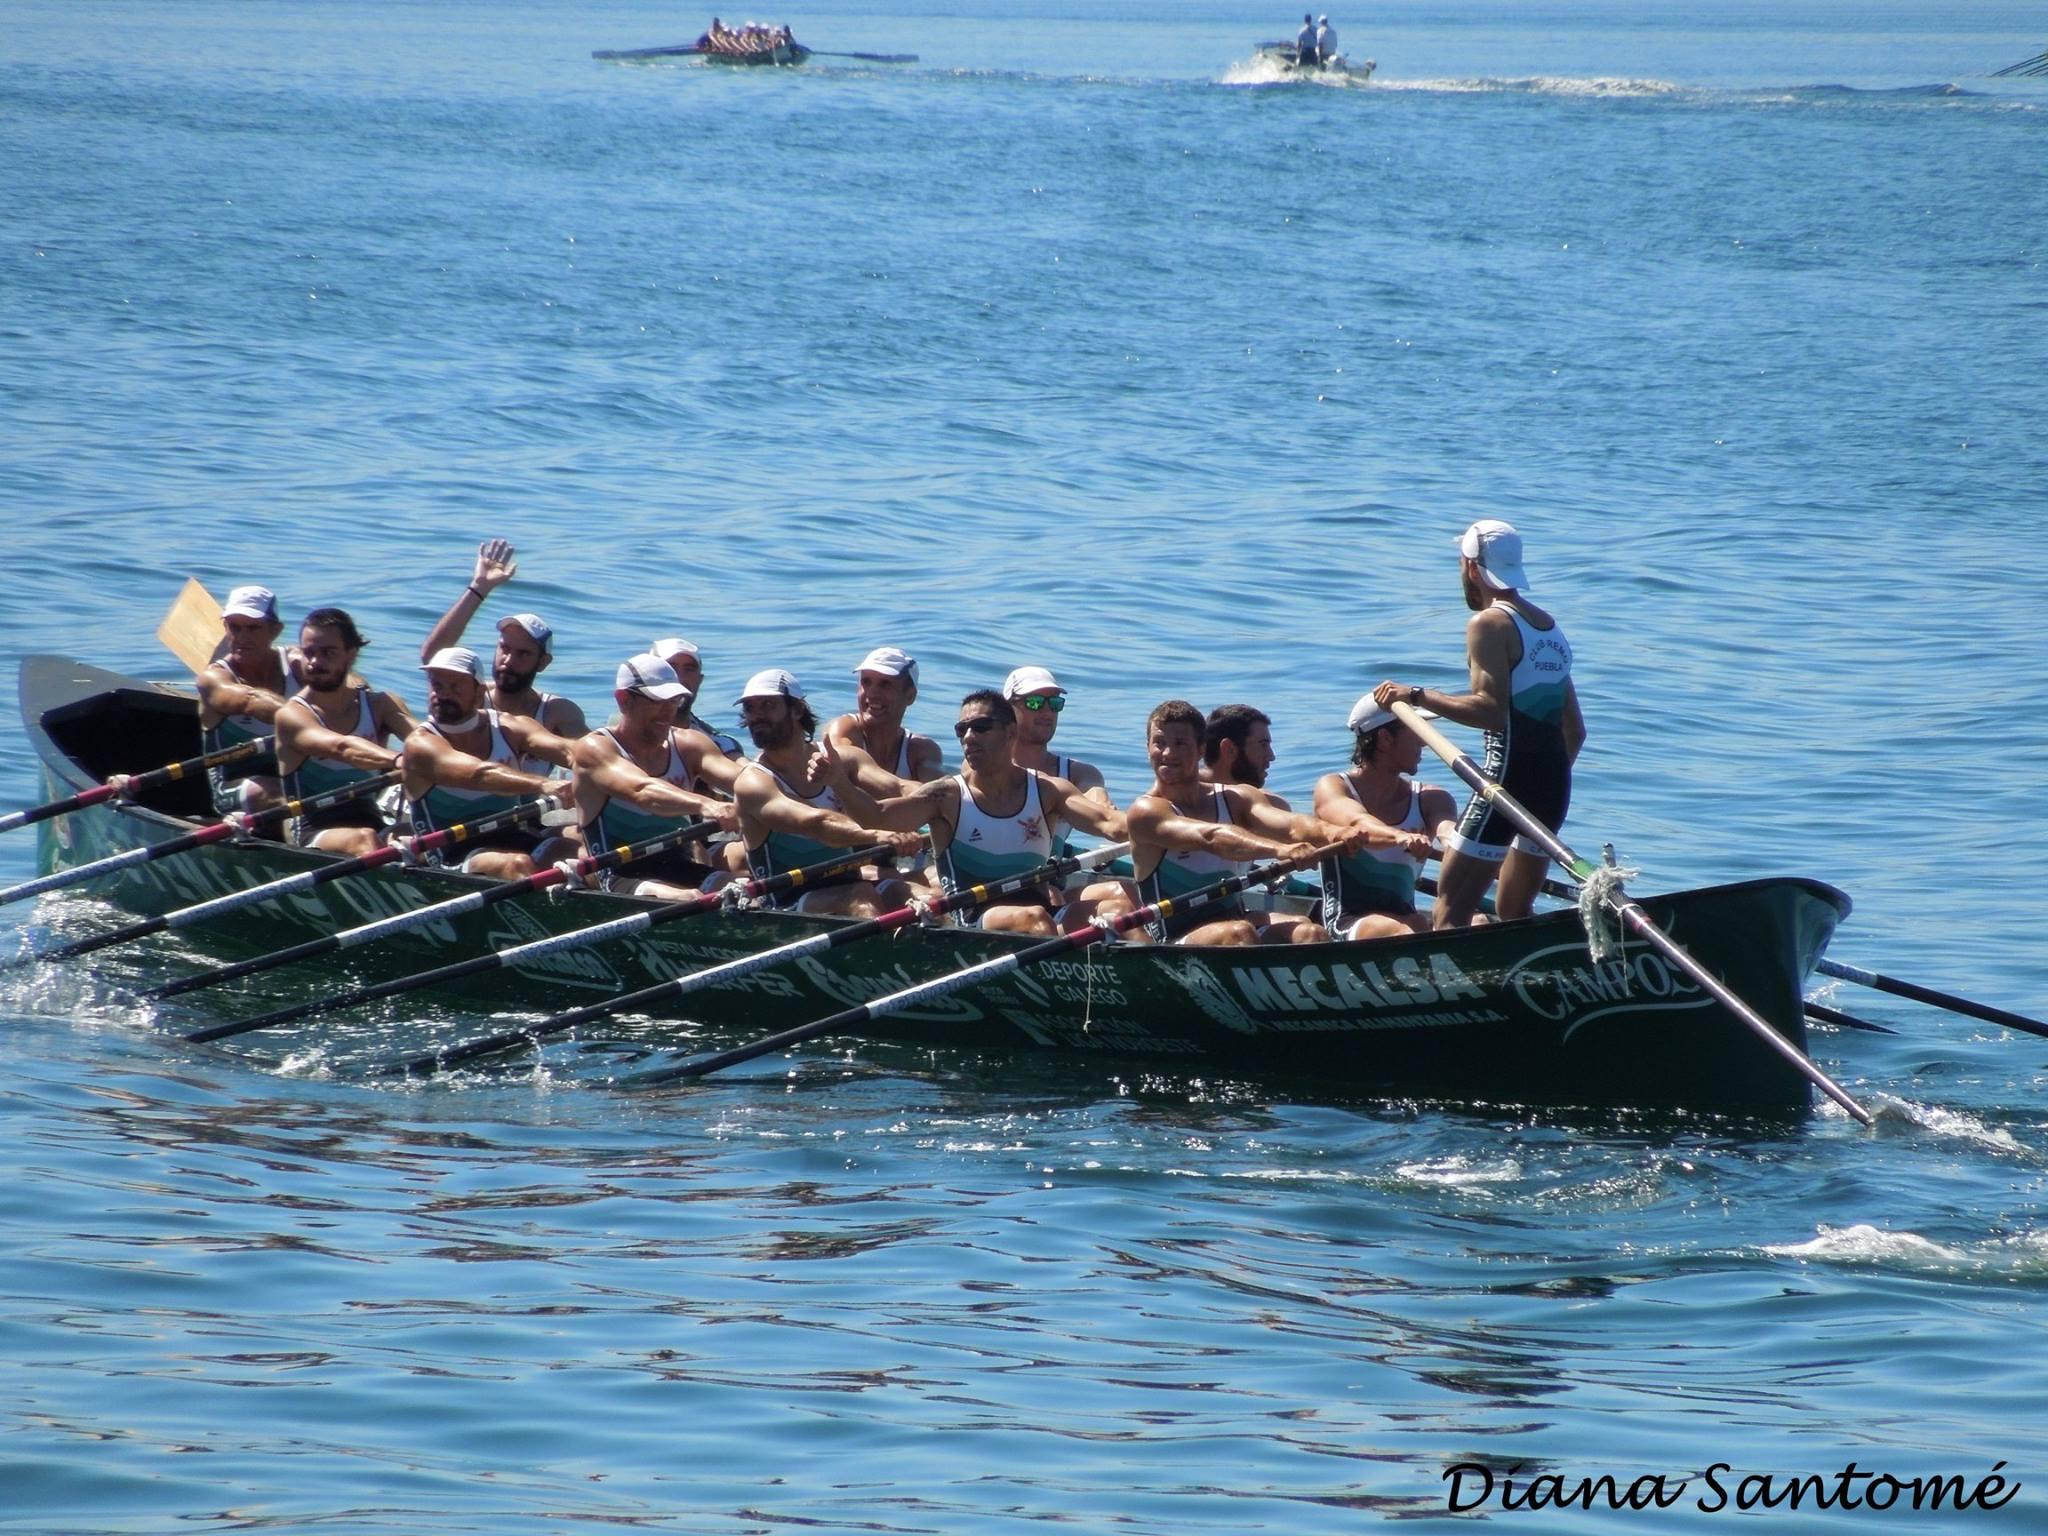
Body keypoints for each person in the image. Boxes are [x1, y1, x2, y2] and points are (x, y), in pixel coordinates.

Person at [1374, 519, 1585, 928]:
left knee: (1449, 911)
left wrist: (1415, 696)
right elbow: (1575, 731)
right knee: (1513, 913)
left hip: (1505, 785)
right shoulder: (1549, 628)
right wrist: (1542, 781)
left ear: (1472, 566)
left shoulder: (1488, 624)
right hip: (1554, 786)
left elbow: (1488, 711)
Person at [853, 691, 1132, 935]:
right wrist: (839, 782)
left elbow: (1111, 824)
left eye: (981, 727)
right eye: (962, 730)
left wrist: (1162, 824)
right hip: (971, 915)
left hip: (1041, 909)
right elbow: (876, 816)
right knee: (1033, 918)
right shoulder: (946, 796)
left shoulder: (1048, 791)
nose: (969, 738)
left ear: (1011, 732)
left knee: (1120, 910)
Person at [1126, 700, 1366, 946]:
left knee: (1310, 933)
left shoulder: (1237, 798)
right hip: (1172, 942)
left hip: (1236, 927)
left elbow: (1290, 825)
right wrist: (1281, 850)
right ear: (1147, 748)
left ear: (1200, 749)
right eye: (1159, 743)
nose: (1167, 753)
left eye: (1179, 744)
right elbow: (1212, 837)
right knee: (1239, 933)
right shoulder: (1145, 812)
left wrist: (1334, 832)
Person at [732, 669, 924, 916]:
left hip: (848, 885)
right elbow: (816, 824)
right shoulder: (752, 783)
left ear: (797, 710)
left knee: (921, 895)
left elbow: (901, 788)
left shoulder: (844, 759)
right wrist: (881, 835)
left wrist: (950, 801)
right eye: (750, 708)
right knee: (862, 898)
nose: (757, 716)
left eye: (768, 705)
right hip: (785, 903)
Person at [571, 654, 741, 899]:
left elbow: (745, 782)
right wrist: (708, 805)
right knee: (687, 897)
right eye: (657, 701)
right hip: (614, 875)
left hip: (679, 868)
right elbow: (642, 791)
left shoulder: (689, 744)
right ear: (623, 699)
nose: (668, 711)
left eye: (674, 701)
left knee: (743, 889)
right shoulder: (594, 749)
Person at [401, 647, 577, 879]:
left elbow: (570, 751)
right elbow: (480, 774)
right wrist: (543, 785)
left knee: (580, 841)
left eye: (455, 686)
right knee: (515, 865)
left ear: (478, 693)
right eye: (437, 685)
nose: (443, 694)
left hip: (512, 838)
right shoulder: (420, 745)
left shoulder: (510, 727)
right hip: (450, 855)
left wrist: (604, 769)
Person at [1313, 696, 1459, 939]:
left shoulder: (1433, 798)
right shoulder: (1333, 787)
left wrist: (1468, 850)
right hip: (1347, 924)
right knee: (1408, 928)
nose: (1424, 742)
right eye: (1415, 730)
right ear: (1385, 738)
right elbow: (1359, 823)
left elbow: (1449, 833)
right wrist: (1400, 837)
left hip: (1408, 921)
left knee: (1477, 920)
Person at [272, 608, 414, 856]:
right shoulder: (292, 715)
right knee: (364, 839)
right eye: (309, 653)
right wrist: (400, 760)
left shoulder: (380, 705)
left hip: (370, 818)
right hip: (310, 828)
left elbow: (428, 741)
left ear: (351, 654)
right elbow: (342, 748)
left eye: (328, 653)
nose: (315, 662)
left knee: (418, 837)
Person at [418, 538, 587, 743]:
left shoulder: (556, 712)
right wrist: (479, 587)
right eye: (504, 648)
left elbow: (594, 757)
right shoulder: (472, 696)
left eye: (522, 653)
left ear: (543, 662)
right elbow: (434, 656)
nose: (508, 660)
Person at [195, 585, 301, 815]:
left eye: (253, 628)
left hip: (295, 781)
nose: (242, 637)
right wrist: (311, 723)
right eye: (235, 627)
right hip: (233, 787)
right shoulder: (214, 678)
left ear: (276, 630)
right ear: (225, 628)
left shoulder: (296, 662)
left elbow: (346, 680)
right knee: (270, 792)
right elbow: (251, 700)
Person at [825, 647, 942, 784]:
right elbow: (853, 769)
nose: (872, 694)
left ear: (910, 696)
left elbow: (937, 796)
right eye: (866, 682)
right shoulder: (845, 729)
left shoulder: (922, 750)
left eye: (885, 684)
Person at [1202, 703, 1289, 810]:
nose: (1271, 757)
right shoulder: (1182, 801)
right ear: (1229, 749)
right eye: (1263, 745)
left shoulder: (1272, 806)